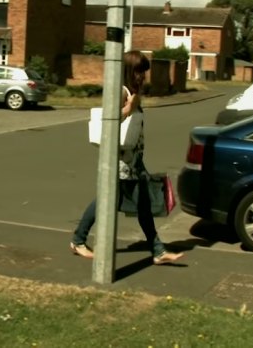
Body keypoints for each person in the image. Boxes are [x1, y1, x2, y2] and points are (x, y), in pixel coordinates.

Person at [69, 50, 184, 265]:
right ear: (129, 70)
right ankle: (78, 240)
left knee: (140, 204)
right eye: (139, 71)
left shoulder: (131, 92)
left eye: (144, 72)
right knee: (108, 200)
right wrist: (129, 107)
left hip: (133, 159)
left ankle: (157, 250)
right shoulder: (121, 92)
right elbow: (109, 120)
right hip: (120, 160)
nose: (142, 76)